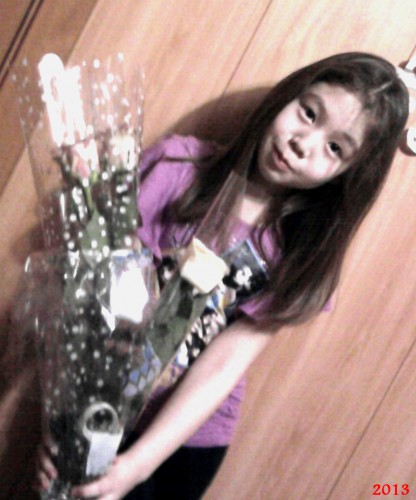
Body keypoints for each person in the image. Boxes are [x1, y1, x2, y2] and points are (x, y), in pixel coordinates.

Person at [38, 52, 408, 499]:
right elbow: (95, 292)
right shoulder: (177, 168)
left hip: (183, 444)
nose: (303, 142)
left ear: (349, 174)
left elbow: (224, 366)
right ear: (288, 95)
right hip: (98, 405)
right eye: (309, 113)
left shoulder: (297, 254)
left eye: (335, 148)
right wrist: (66, 413)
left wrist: (138, 464)